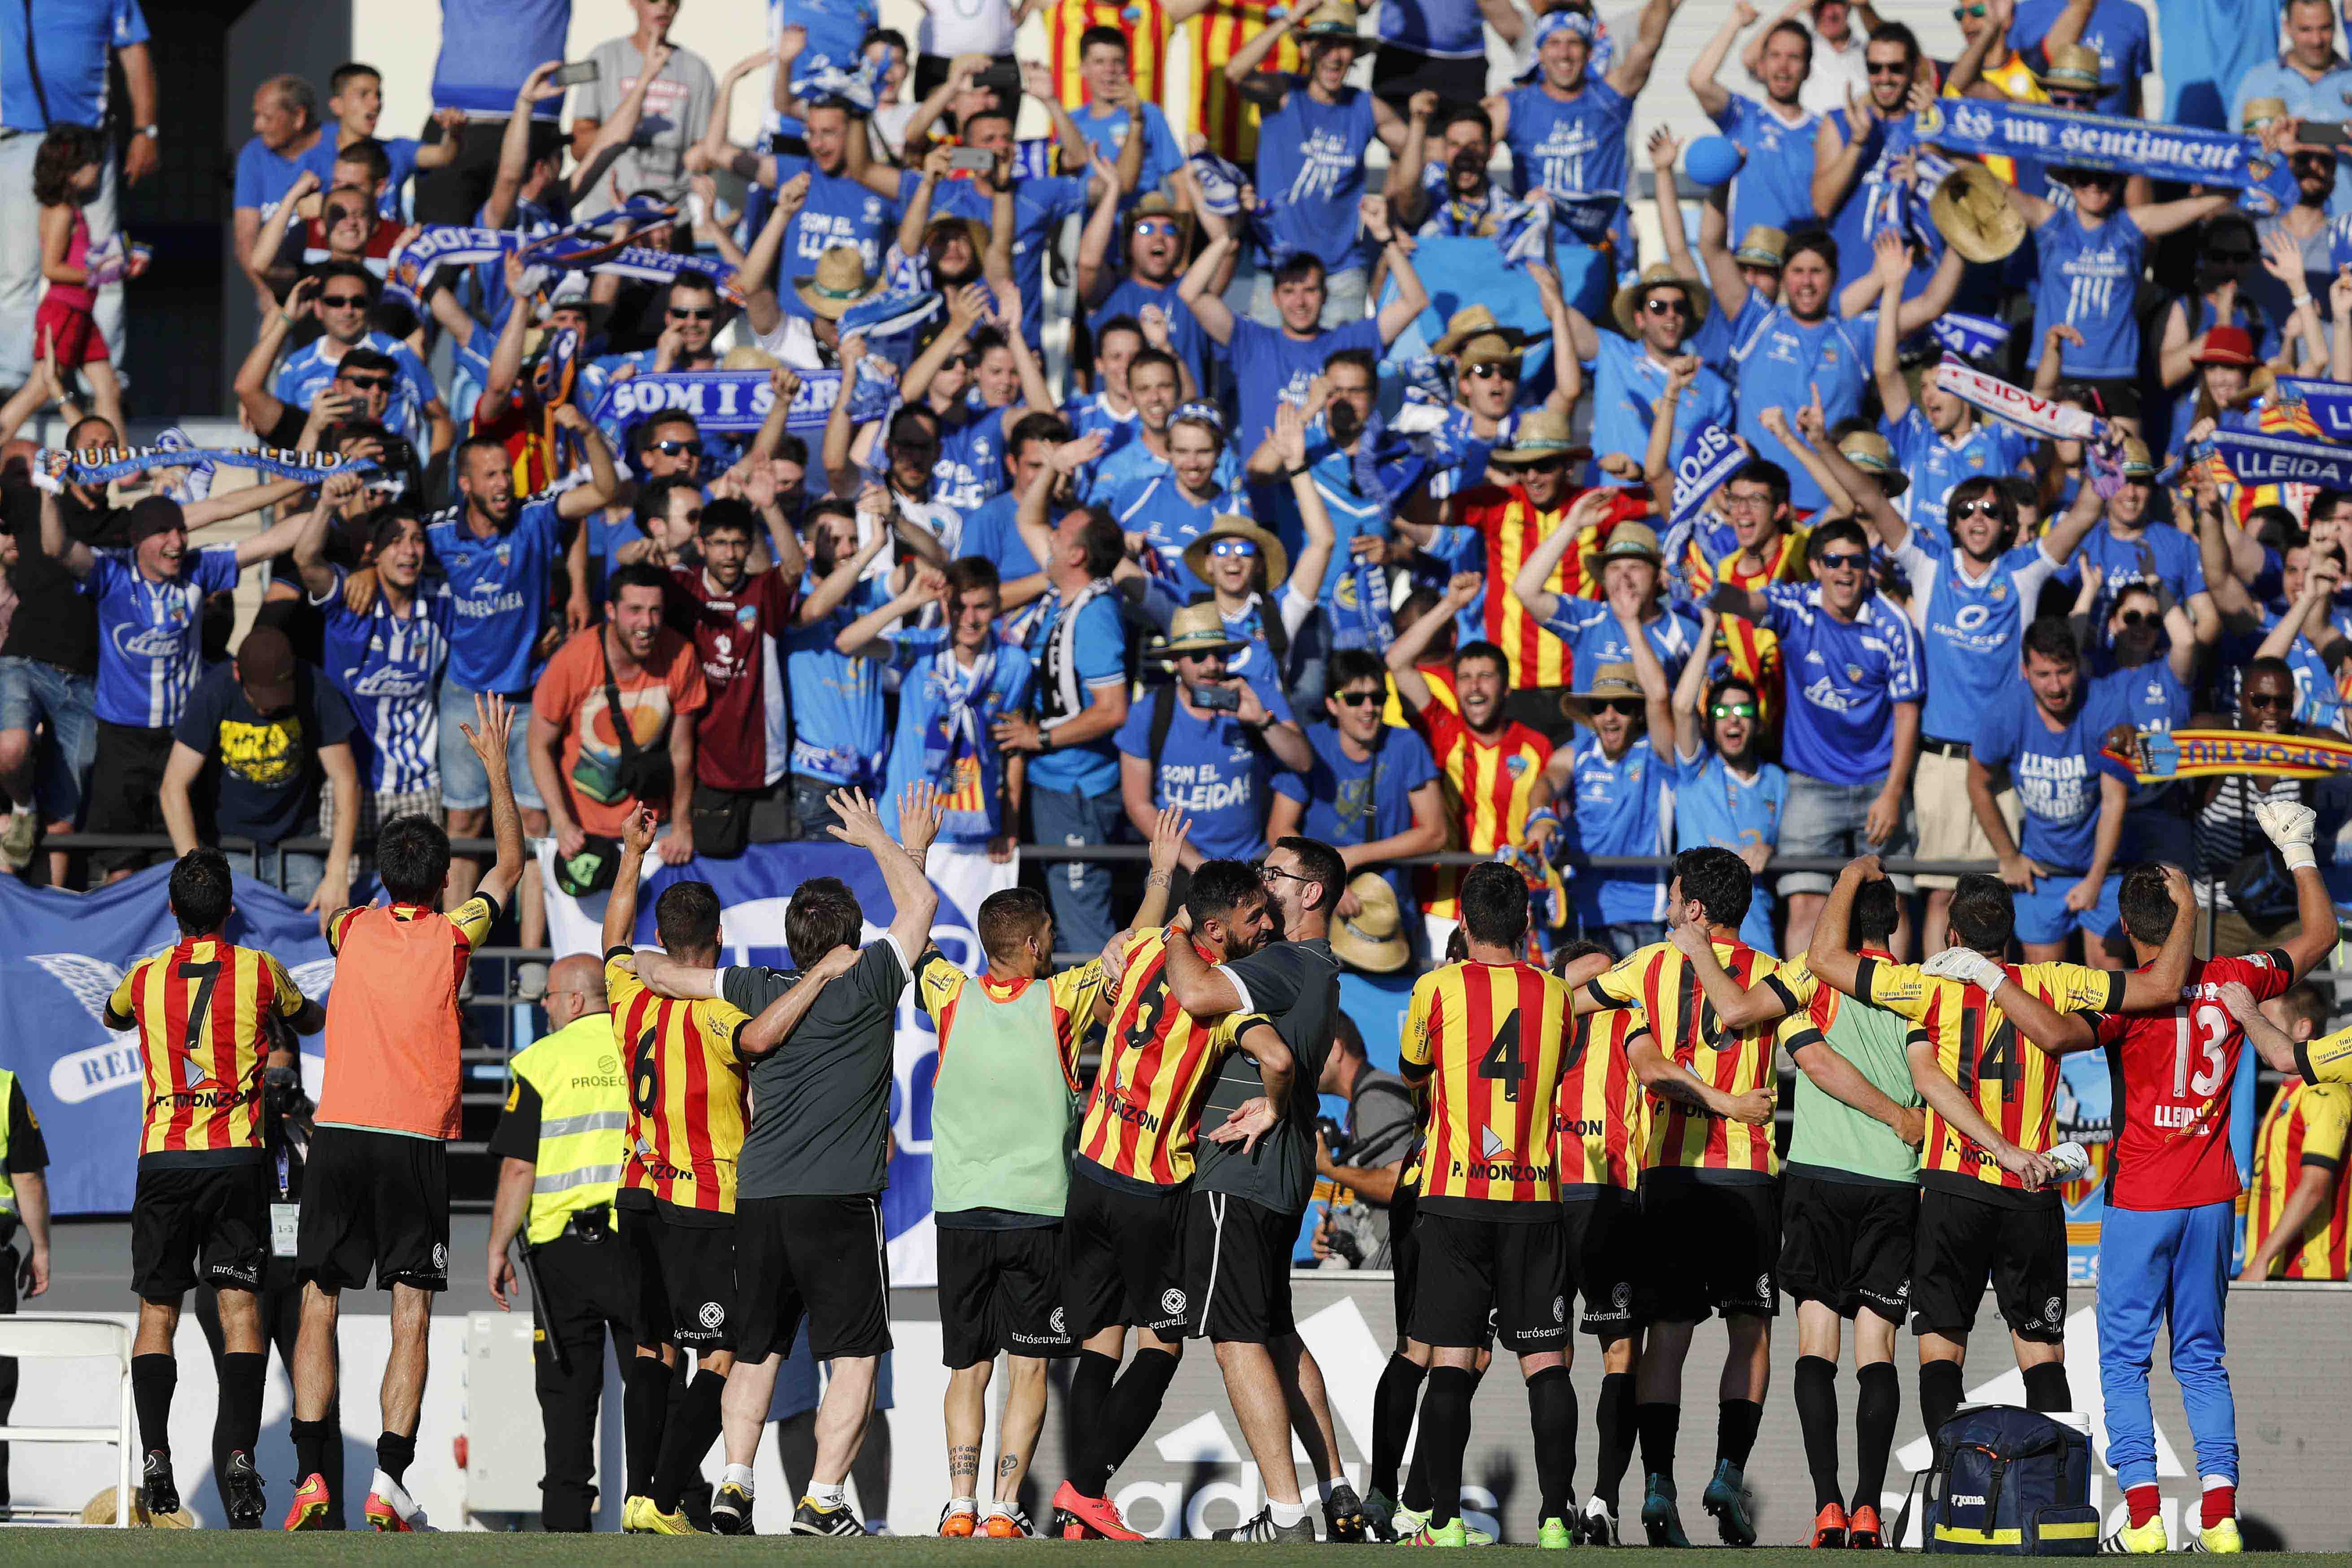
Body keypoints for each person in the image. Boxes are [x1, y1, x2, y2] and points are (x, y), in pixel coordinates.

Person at [628, 785, 941, 1536]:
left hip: (759, 1199)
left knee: (757, 1348)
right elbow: (920, 912)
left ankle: (734, 1483)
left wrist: (803, 979)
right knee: (857, 1357)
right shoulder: (867, 981)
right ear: (849, 941)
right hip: (838, 1202)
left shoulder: (756, 986)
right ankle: (823, 1501)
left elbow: (651, 970)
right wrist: (878, 839)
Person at [1802, 857, 2193, 1451]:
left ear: (1951, 937)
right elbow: (2162, 985)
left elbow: (1823, 959)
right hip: (2029, 1196)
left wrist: (1850, 876)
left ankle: (1956, 1480)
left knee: (1939, 1345)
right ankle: (2045, 1489)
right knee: (2040, 1351)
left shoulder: (1927, 987)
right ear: (2007, 934)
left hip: (1953, 1189)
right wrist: (2187, 908)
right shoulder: (2055, 981)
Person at [288, 696, 525, 1532]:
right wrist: (496, 767)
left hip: (340, 1138)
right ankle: (388, 1483)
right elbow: (510, 866)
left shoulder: (350, 928)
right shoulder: (453, 934)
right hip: (412, 1145)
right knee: (410, 1310)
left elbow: (356, 897)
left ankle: (310, 1479)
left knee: (318, 1298)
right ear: (442, 883)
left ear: (385, 878)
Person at [2071, 847, 2332, 1555]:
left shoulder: (2123, 991)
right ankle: (2219, 1517)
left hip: (2142, 1196)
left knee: (2122, 1361)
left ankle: (2145, 1516)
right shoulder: (2235, 976)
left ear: (2127, 924)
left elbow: (2052, 1034)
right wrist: (2300, 852)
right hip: (2213, 1198)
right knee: (2200, 1356)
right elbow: (2318, 936)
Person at [594, 802, 815, 1536]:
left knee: (655, 1347)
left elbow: (611, 938)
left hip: (637, 1191)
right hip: (708, 1198)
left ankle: (638, 1495)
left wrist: (632, 856)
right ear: (718, 941)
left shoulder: (624, 991)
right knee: (720, 1351)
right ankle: (661, 1501)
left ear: (660, 941)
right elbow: (762, 1037)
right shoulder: (719, 1013)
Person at [1047, 860, 1283, 1540]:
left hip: (1090, 1168)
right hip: (1151, 1189)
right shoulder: (1222, 993)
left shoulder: (1141, 945)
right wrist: (1273, 1104)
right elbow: (1279, 1058)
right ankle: (1085, 1491)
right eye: (1252, 915)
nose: (1264, 923)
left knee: (1099, 1339)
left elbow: (1099, 1006)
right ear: (1215, 927)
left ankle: (1080, 1506)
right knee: (1163, 1344)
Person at [1574, 848, 1800, 1547]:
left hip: (1668, 1174)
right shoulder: (1773, 971)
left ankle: (1656, 1482)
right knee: (1750, 1331)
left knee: (1665, 1336)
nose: (1666, 909)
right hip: (1747, 1177)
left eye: (1673, 898)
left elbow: (1572, 1000)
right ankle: (1727, 1472)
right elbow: (1810, 1050)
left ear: (1694, 909)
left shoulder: (1647, 964)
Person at [102, 847, 323, 1529]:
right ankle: (238, 1454)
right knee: (239, 1311)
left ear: (171, 910)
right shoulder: (260, 970)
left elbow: (113, 1016)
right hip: (235, 1159)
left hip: (165, 1159)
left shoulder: (143, 977)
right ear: (231, 910)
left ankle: (158, 1455)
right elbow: (307, 1019)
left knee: (157, 1313)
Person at [1154, 837, 1361, 1542]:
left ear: (1311, 893)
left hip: (1237, 1171)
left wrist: (1180, 926)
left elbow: (1193, 990)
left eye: (1275, 873)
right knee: (1273, 1329)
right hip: (1277, 1166)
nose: (1262, 881)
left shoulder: (1283, 959)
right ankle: (1335, 1488)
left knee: (1235, 1336)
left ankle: (1283, 1511)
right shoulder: (1315, 965)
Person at [916, 876, 1119, 1537]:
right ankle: (1005, 1507)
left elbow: (912, 929)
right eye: (1051, 938)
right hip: (1038, 1214)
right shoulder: (1058, 999)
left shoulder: (949, 994)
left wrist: (908, 850)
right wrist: (1157, 878)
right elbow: (1132, 943)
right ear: (1032, 945)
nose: (1055, 947)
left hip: (961, 1213)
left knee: (966, 1367)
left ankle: (960, 1501)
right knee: (1029, 1366)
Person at [46, 490, 315, 883]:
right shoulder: (111, 572)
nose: (178, 542)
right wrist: (47, 490)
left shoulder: (199, 569)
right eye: (163, 532)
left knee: (178, 859)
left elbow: (274, 540)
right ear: (137, 539)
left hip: (182, 738)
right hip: (122, 740)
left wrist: (326, 497)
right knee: (121, 864)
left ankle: (186, 941)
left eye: (182, 530)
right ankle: (127, 946)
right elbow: (56, 546)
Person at [1771, 875, 1923, 1550]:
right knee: (1877, 1350)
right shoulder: (1921, 990)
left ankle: (1827, 1504)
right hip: (1893, 1181)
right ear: (1895, 920)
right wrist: (1899, 1118)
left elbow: (1812, 1059)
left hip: (1817, 1176)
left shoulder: (1811, 980)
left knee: (1814, 1344)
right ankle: (1867, 1507)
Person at [426, 426, 619, 950]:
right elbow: (382, 553)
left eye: (506, 474)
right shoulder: (437, 535)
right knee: (463, 824)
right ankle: (455, 952)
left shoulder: (534, 517)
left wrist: (585, 434)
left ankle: (532, 959)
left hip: (529, 695)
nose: (503, 485)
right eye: (490, 475)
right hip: (464, 692)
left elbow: (602, 493)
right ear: (465, 483)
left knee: (534, 824)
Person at [1709, 517, 1923, 960]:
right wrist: (1712, 592)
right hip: (1810, 781)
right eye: (1833, 560)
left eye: (1855, 561)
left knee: (1889, 906)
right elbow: (1746, 602)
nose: (1844, 571)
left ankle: (1894, 1010)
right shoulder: (1795, 604)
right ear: (1814, 566)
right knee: (1804, 905)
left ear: (1867, 567)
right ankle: (1800, 1018)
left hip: (1879, 783)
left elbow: (1907, 714)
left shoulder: (1892, 623)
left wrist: (1892, 793)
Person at [483, 953, 639, 1533]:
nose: (543, 1005)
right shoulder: (638, 1041)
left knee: (567, 1398)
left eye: (548, 995)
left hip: (563, 1253)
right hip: (637, 1243)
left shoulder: (541, 1061)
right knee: (653, 1383)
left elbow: (519, 1168)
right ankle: (665, 1510)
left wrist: (497, 1244)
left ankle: (568, 1528)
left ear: (573, 999)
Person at [1180, 189, 1427, 456]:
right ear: (1275, 298)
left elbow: (1415, 302)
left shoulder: (1350, 344)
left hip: (1330, 489)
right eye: (1289, 292)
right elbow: (1190, 293)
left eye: (1309, 290)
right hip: (1265, 489)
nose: (1300, 302)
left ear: (1325, 295)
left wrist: (1384, 237)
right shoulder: (1250, 341)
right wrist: (1231, 233)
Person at [1388, 575, 1556, 948]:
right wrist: (1450, 604)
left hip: (1516, 911)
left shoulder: (1536, 745)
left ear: (1506, 687)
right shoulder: (1442, 729)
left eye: (1485, 677)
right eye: (1464, 677)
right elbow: (1397, 661)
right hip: (1445, 909)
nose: (1474, 687)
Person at [991, 507, 1132, 953]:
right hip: (1051, 786)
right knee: (1056, 921)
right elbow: (1027, 518)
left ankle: (1103, 1022)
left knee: (1082, 930)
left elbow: (1112, 710)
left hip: (1077, 791)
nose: (1049, 535)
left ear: (1075, 554)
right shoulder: (1063, 598)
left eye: (1060, 531)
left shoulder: (1094, 615)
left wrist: (1039, 738)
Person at [835, 555, 1034, 863]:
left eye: (981, 606)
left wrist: (1009, 827)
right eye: (959, 607)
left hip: (975, 829)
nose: (969, 619)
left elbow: (1012, 748)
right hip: (903, 827)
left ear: (997, 605)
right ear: (945, 605)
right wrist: (907, 602)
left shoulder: (1014, 664)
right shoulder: (919, 648)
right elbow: (848, 643)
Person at [0, 0, 154, 382]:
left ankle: (101, 377)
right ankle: (12, 379)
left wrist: (146, 130)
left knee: (105, 261)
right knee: (18, 269)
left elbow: (135, 54)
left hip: (88, 138)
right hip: (16, 136)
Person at [160, 624, 360, 916]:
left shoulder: (315, 688)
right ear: (238, 674)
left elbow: (346, 779)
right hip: (230, 844)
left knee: (320, 922)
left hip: (298, 842)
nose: (268, 708)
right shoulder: (215, 690)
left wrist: (338, 871)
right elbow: (172, 787)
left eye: (278, 697)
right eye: (260, 698)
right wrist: (196, 872)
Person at [529, 561, 708, 878]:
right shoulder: (574, 659)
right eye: (635, 610)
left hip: (652, 826)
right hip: (582, 827)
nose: (647, 622)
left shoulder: (681, 655)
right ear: (611, 610)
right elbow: (538, 745)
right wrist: (561, 822)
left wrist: (682, 825)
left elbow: (682, 752)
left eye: (655, 610)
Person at [1484, 0, 1683, 272]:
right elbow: (1466, 151)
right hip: (1540, 256)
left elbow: (1648, 46)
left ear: (1589, 52)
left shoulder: (1610, 97)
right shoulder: (1513, 106)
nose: (1564, 54)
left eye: (1574, 43)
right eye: (1553, 43)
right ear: (1540, 52)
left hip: (1605, 253)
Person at [1117, 604, 1312, 868]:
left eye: (1220, 654)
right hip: (1183, 864)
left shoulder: (1255, 693)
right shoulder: (1147, 713)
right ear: (1175, 661)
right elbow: (1138, 805)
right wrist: (1196, 865)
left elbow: (1303, 762)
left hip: (1253, 860)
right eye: (1198, 656)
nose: (1212, 665)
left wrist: (1263, 721)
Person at [1268, 648, 1447, 904]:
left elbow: (1435, 833)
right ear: (1332, 704)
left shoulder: (1407, 744)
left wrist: (1354, 856)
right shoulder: (1309, 745)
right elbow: (1278, 829)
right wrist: (1325, 878)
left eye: (1378, 698)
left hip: (1387, 909)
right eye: (1354, 699)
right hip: (1316, 904)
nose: (1368, 708)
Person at [1664, 610, 1785, 952]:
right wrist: (1709, 631)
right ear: (1709, 724)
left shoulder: (1777, 779)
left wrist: (1772, 850)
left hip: (1755, 931)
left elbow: (1792, 844)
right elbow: (1681, 707)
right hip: (1693, 935)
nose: (1733, 719)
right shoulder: (1696, 770)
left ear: (1758, 723)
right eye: (1721, 712)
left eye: (1744, 711)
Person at [571, 0, 719, 216]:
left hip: (670, 220)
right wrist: (625, 129)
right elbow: (578, 148)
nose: (664, 7)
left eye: (672, 1)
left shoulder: (698, 70)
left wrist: (702, 163)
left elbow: (705, 156)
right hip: (607, 216)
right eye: (653, 0)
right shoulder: (602, 58)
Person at [2243, 986, 2350, 1280]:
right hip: (2272, 1267)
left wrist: (2260, 1261)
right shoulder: (2288, 1089)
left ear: (2303, 1027)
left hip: (2309, 1273)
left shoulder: (2323, 1092)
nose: (2258, 1037)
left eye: (2269, 1026)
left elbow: (2315, 1186)